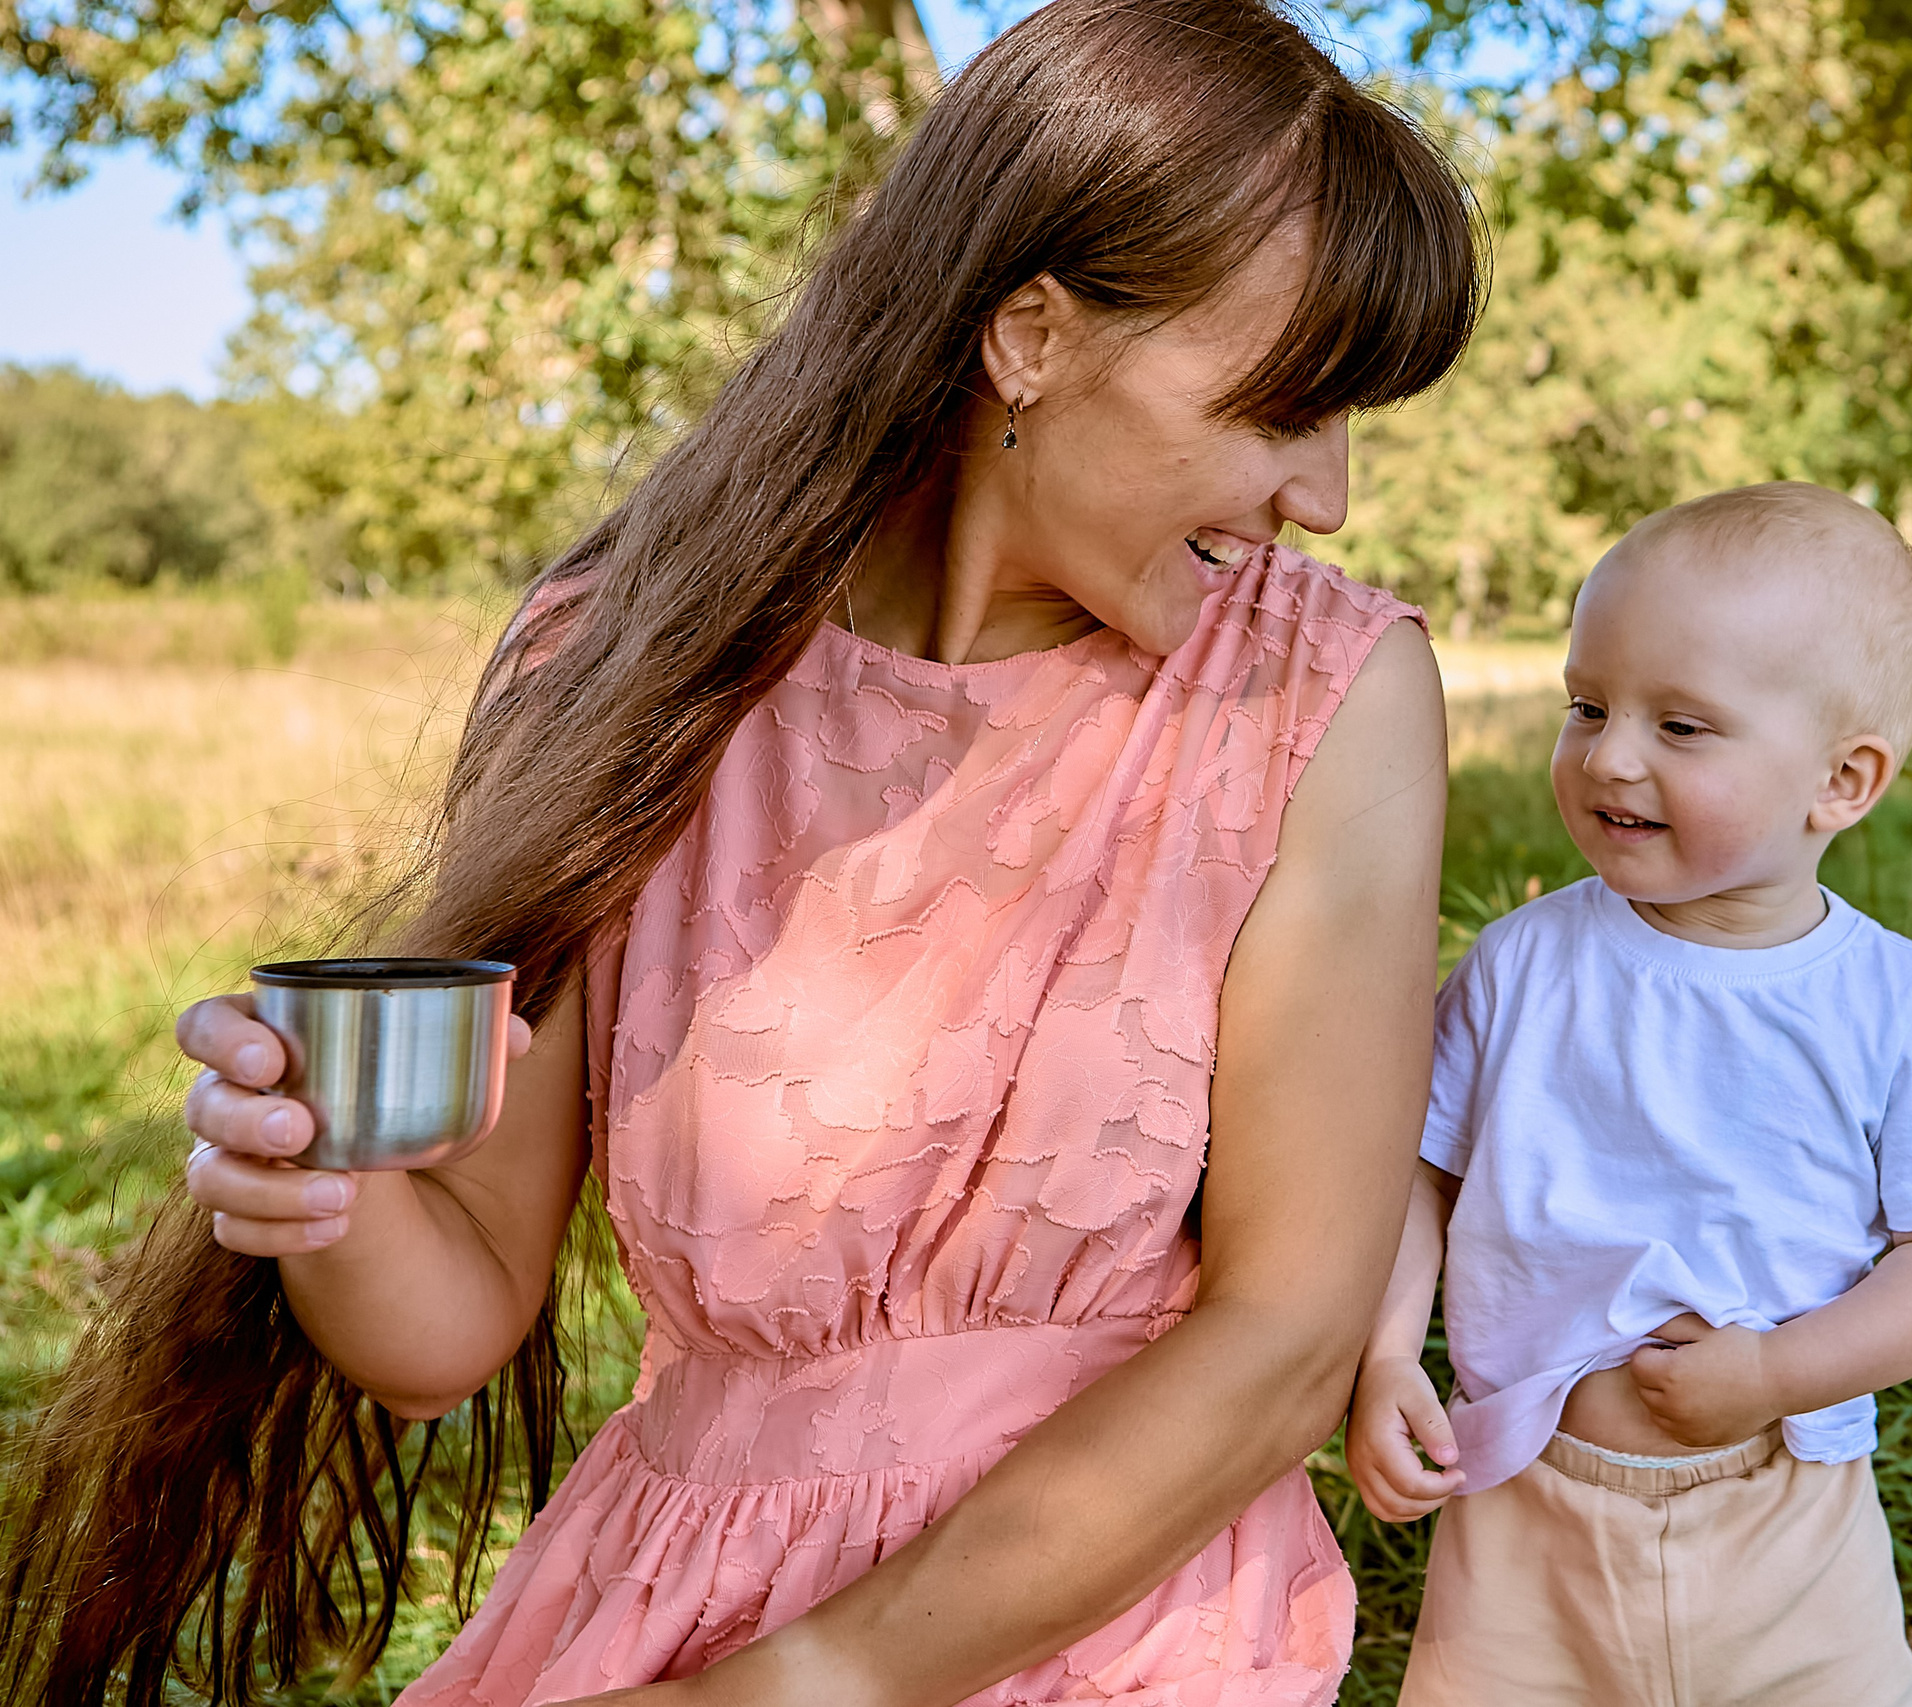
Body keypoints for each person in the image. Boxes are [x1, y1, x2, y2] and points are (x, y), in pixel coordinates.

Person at [0, 5, 1484, 1703]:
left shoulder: (1320, 693)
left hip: (1107, 1623)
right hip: (670, 1610)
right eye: (1284, 408)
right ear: (1031, 334)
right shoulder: (633, 653)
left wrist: (802, 1685)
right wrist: (310, 1189)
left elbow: (1287, 1345)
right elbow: (450, 1319)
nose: (1331, 494)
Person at [1345, 483, 1912, 1706]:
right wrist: (1379, 1355)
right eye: (1588, 705)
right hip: (1526, 1504)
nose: (1608, 755)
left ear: (1841, 781)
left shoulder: (1897, 1004)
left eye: (1682, 726)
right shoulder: (1526, 962)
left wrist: (1780, 1375)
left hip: (1782, 1511)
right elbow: (1422, 1169)